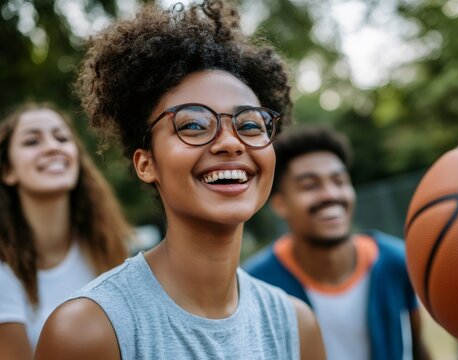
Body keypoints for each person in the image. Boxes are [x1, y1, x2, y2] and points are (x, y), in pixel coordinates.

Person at [35, 1, 325, 360]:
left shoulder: (296, 326)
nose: (231, 142)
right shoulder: (88, 331)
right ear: (146, 163)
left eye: (250, 124)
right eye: (193, 125)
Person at [244, 125, 432, 360]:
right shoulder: (256, 284)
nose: (330, 194)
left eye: (339, 181)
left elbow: (416, 347)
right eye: (310, 185)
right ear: (280, 203)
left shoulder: (396, 261)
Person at [0, 103, 131, 359]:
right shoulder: (3, 271)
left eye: (61, 137)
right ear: (8, 171)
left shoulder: (106, 246)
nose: (52, 147)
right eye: (31, 141)